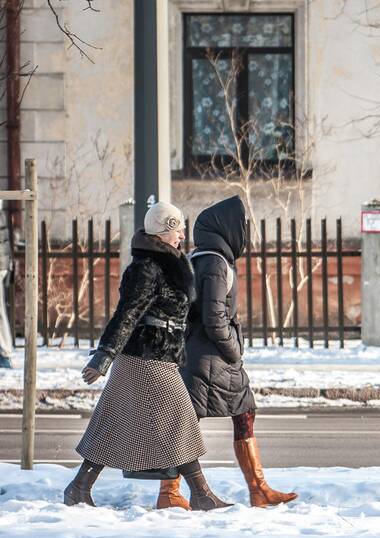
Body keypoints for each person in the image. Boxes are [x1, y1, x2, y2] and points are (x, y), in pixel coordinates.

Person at [65, 201, 231, 511]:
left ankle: (78, 487)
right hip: (143, 357)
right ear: (166, 229)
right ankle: (201, 493)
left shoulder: (172, 264)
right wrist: (104, 356)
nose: (182, 234)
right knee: (179, 418)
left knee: (113, 422)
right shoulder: (145, 268)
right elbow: (127, 314)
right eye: (178, 228)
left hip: (158, 356)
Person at [181, 196, 297, 508]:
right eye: (240, 226)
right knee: (188, 422)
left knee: (240, 413)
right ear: (226, 228)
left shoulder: (201, 257)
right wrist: (234, 350)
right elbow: (214, 318)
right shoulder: (216, 263)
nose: (242, 233)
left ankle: (258, 488)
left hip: (204, 356)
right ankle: (171, 492)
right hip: (211, 358)